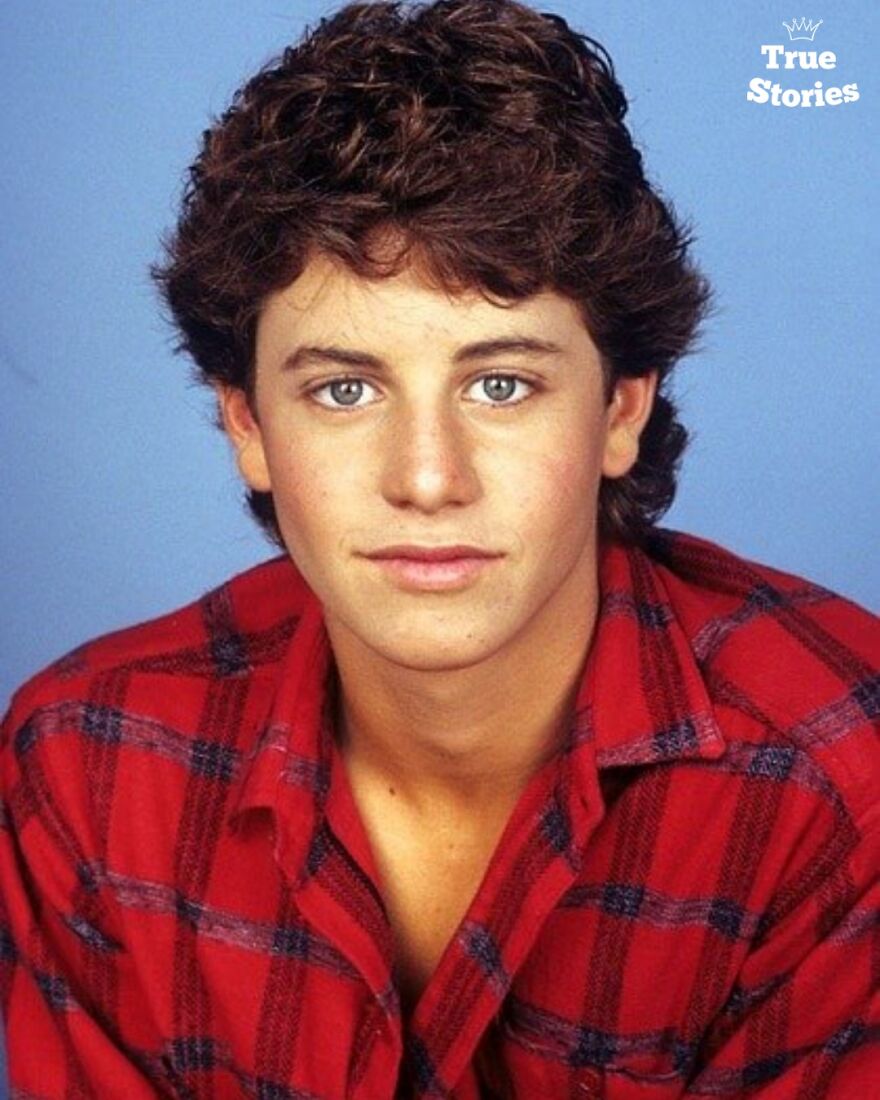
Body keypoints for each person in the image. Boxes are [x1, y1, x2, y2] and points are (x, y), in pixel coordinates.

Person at [1, 0, 877, 1095]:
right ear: (249, 426)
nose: (426, 477)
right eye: (345, 388)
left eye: (500, 384)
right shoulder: (89, 765)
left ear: (619, 409)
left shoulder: (843, 786)